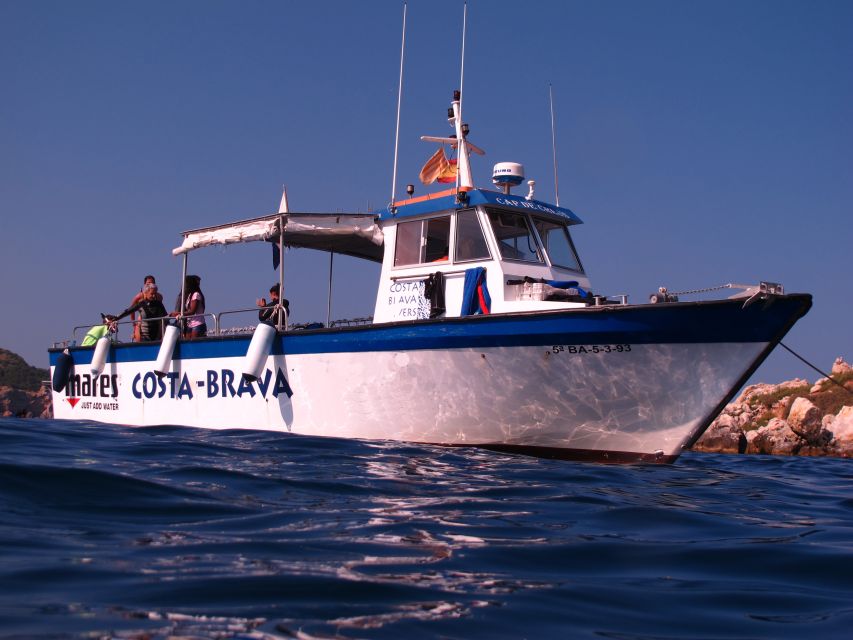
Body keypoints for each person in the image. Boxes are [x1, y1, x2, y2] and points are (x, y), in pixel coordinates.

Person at [128, 275, 163, 341]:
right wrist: (134, 325)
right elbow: (131, 310)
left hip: (155, 320)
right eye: (148, 283)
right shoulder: (139, 296)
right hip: (143, 318)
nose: (150, 284)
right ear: (144, 285)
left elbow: (161, 310)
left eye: (152, 283)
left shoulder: (159, 296)